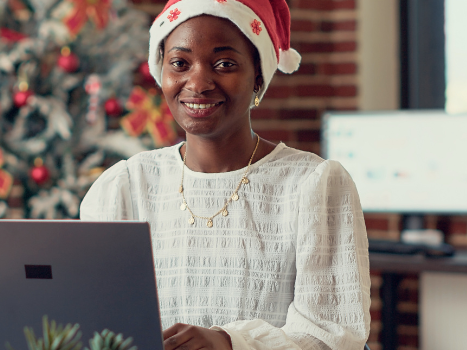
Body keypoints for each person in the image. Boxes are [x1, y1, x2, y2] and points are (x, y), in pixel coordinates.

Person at [80, 0, 371, 349]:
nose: (198, 82)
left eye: (224, 64)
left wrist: (229, 343)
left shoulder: (314, 186)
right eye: (179, 63)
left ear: (258, 79)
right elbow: (97, 323)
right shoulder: (126, 186)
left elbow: (332, 336)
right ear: (161, 73)